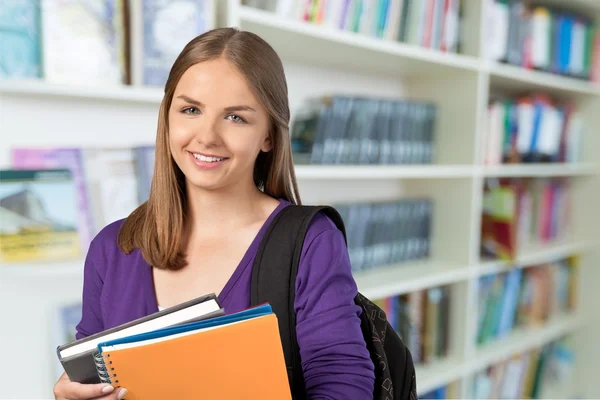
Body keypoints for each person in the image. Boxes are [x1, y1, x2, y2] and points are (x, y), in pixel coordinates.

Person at [53, 27, 375, 400]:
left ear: (269, 136)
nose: (207, 136)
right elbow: (91, 378)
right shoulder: (112, 247)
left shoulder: (311, 241)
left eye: (236, 117)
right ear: (168, 117)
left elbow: (342, 381)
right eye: (191, 109)